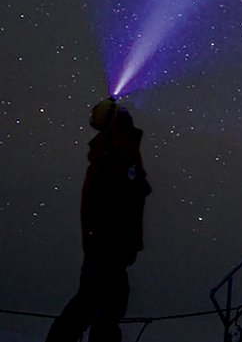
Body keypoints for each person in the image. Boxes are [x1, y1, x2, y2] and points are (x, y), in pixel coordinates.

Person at [46, 97, 151, 342]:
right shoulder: (115, 152)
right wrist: (121, 242)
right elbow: (123, 196)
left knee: (100, 300)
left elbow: (128, 193)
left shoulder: (112, 151)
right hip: (108, 244)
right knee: (100, 301)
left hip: (106, 243)